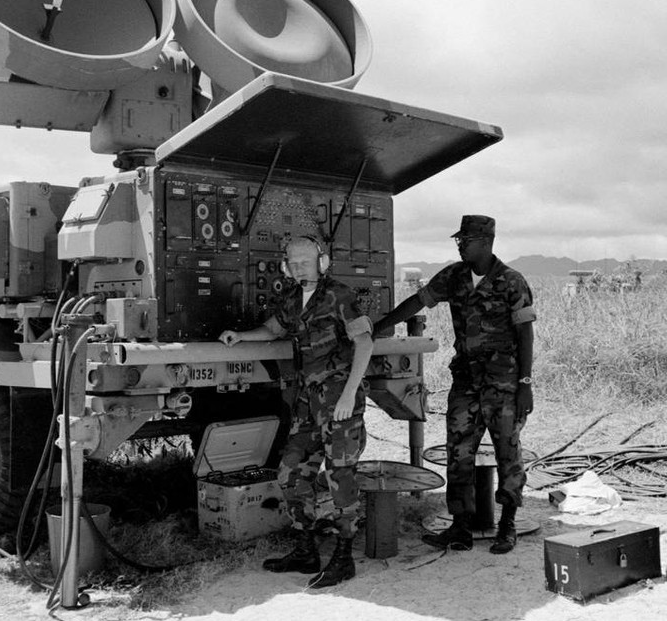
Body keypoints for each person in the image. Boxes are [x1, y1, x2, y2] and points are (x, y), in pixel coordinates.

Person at [373, 215, 535, 555]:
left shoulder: (511, 282)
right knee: (458, 453)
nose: (460, 244)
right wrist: (381, 326)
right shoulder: (454, 276)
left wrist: (525, 384)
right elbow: (418, 301)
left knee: (508, 453)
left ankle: (507, 525)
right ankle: (460, 527)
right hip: (465, 383)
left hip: (503, 385)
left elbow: (525, 333)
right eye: (458, 240)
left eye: (467, 239)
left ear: (487, 241)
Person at [218, 235, 374, 587]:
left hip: (339, 402)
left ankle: (344, 556)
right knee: (290, 471)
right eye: (294, 263)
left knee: (340, 476)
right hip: (308, 401)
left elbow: (365, 343)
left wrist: (350, 394)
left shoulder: (340, 295)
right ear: (286, 266)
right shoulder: (291, 297)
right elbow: (274, 328)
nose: (300, 267)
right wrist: (242, 336)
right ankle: (305, 550)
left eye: (306, 261)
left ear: (322, 261)